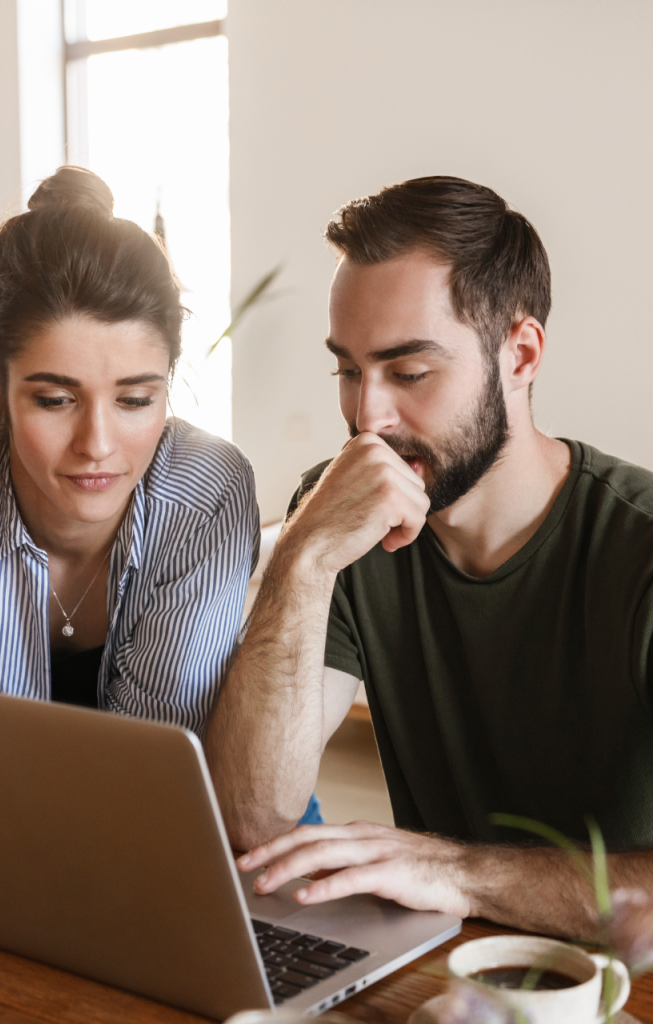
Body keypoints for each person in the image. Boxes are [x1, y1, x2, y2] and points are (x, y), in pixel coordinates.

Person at [206, 176, 653, 940]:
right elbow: (252, 818)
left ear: (520, 354)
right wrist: (304, 555)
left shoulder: (636, 546)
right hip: (441, 968)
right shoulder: (341, 516)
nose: (366, 418)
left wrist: (456, 871)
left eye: (408, 373)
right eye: (348, 370)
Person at [0, 166, 265, 839]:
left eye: (134, 400)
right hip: (6, 844)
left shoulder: (207, 492)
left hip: (188, 842)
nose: (97, 445)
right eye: (54, 399)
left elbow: (144, 784)